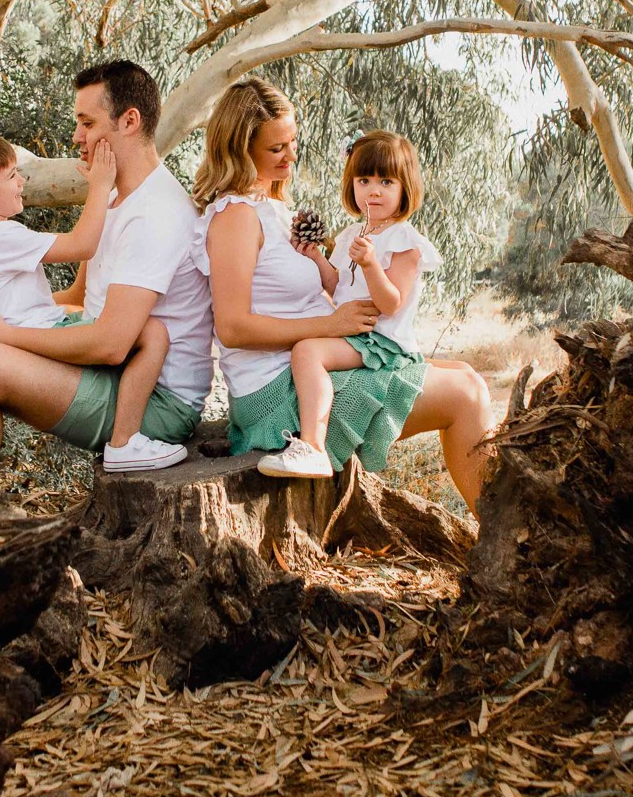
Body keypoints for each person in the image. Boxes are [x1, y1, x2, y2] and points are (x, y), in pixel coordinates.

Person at [195, 79, 495, 511]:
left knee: (467, 374)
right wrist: (330, 325)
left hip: (313, 366)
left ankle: (499, 530)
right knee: (466, 395)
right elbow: (232, 327)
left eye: (292, 141)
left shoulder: (271, 209)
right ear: (240, 149)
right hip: (279, 396)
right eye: (277, 148)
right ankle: (499, 538)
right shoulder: (236, 218)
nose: (291, 155)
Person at [0, 61, 213, 488]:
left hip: (151, 402)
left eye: (87, 123)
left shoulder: (156, 213)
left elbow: (109, 344)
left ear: (129, 121)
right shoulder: (117, 200)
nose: (77, 136)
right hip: (108, 371)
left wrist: (3, 335)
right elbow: (79, 296)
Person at [0, 134, 167, 469]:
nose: (21, 182)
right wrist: (101, 186)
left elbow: (36, 300)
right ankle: (125, 441)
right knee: (153, 334)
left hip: (34, 327)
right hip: (37, 337)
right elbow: (82, 244)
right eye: (11, 177)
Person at [277, 130, 442, 477]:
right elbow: (338, 286)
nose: (374, 190)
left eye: (386, 181)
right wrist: (318, 259)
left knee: (307, 351)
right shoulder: (352, 234)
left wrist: (370, 265)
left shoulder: (404, 240)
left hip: (381, 340)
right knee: (304, 351)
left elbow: (391, 303)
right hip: (355, 334)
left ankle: (314, 446)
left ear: (405, 189)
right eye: (364, 180)